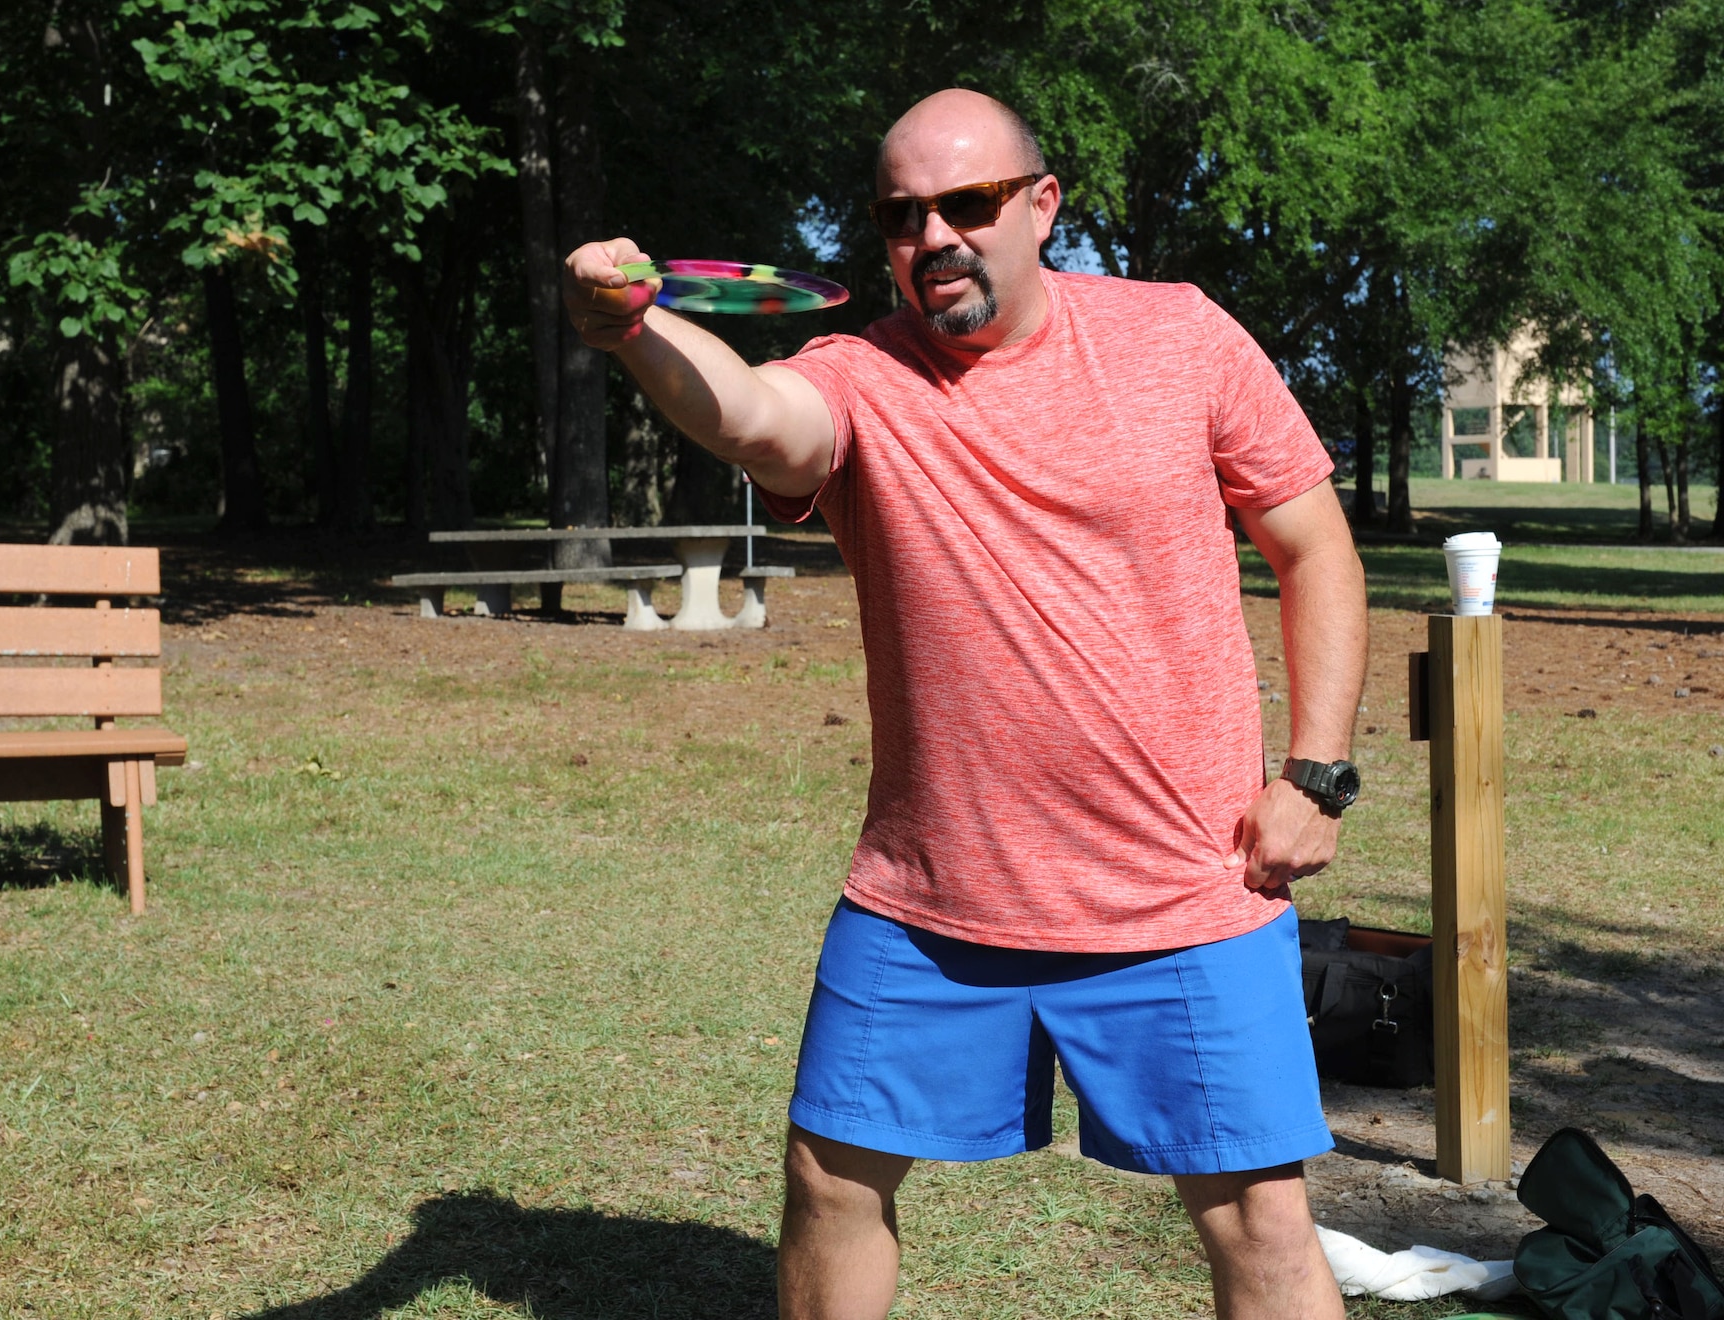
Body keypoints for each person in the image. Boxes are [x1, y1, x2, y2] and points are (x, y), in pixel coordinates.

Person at [562, 87, 1367, 1320]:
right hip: (932, 896)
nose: (933, 235)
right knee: (828, 1178)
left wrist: (1313, 777)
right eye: (900, 216)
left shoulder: (1180, 338)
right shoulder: (862, 377)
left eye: (966, 203)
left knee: (1257, 1215)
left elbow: (1313, 546)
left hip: (1183, 886)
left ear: (1039, 207)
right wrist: (630, 325)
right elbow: (749, 415)